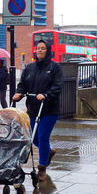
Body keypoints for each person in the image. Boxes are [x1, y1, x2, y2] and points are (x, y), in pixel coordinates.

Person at [12, 40, 62, 182]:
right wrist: (19, 93)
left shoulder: (54, 68)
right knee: (33, 138)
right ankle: (48, 151)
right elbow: (23, 84)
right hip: (33, 108)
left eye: (43, 48)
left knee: (42, 136)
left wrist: (46, 95)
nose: (39, 50)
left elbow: (57, 86)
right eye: (38, 48)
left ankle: (42, 167)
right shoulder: (30, 67)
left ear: (48, 50)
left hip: (49, 109)